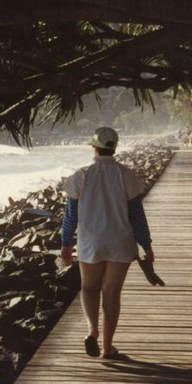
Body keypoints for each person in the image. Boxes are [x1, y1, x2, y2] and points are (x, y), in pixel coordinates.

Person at [60, 127, 154, 359]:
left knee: (89, 288)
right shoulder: (126, 175)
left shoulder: (81, 175)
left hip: (91, 241)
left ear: (94, 147)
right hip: (120, 242)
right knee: (111, 294)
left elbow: (71, 215)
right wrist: (147, 245)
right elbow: (137, 215)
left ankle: (92, 330)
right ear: (115, 147)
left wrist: (65, 244)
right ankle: (107, 348)